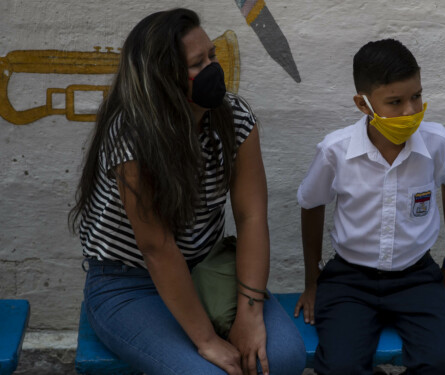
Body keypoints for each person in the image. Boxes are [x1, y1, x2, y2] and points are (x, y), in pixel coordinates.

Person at [68, 8, 305, 375]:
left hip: (207, 269)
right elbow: (157, 248)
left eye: (212, 55)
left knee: (283, 359)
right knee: (209, 372)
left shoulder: (235, 119)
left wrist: (249, 313)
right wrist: (207, 340)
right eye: (199, 63)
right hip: (128, 283)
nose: (214, 68)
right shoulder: (133, 136)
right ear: (165, 79)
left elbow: (251, 216)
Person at [294, 38, 445, 375]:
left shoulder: (439, 143)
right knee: (339, 368)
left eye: (416, 96)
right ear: (363, 104)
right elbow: (311, 205)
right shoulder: (334, 151)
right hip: (348, 280)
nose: (410, 111)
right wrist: (313, 280)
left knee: (444, 361)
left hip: (417, 277)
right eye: (395, 102)